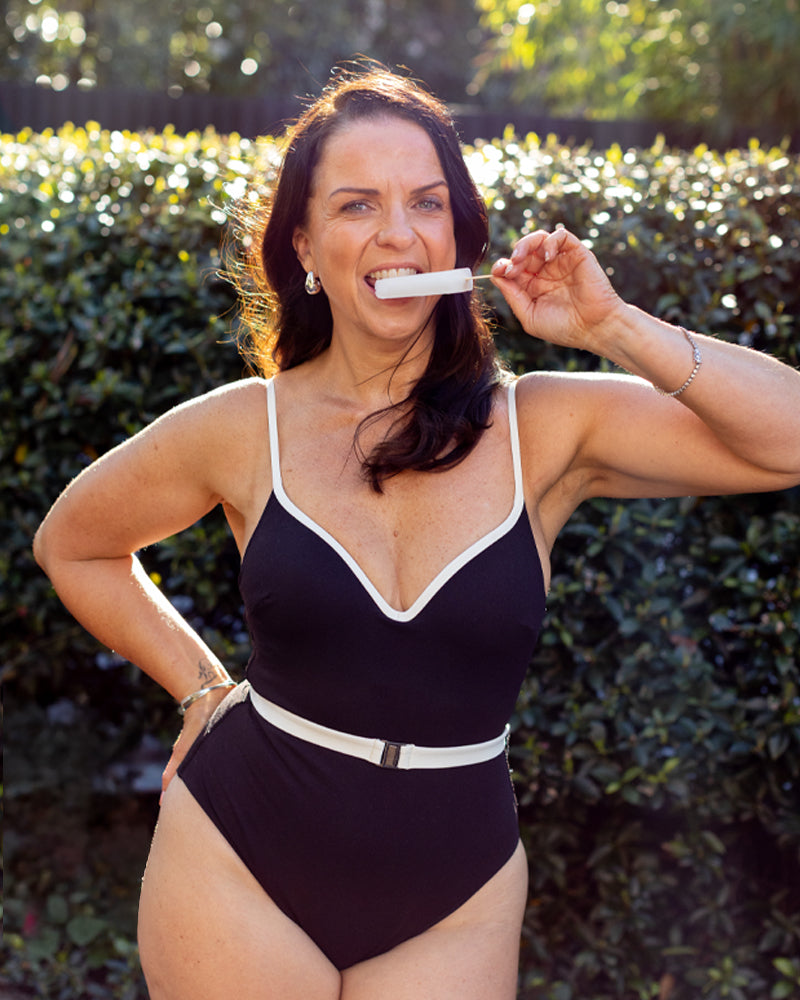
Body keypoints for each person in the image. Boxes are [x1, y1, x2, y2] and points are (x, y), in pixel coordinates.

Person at [33, 67, 800, 1000]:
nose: (398, 232)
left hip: (456, 892)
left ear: (460, 237)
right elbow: (74, 544)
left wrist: (615, 328)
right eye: (357, 204)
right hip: (240, 852)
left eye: (427, 203)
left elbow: (789, 439)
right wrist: (199, 689)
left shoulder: (546, 428)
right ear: (304, 245)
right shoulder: (243, 427)